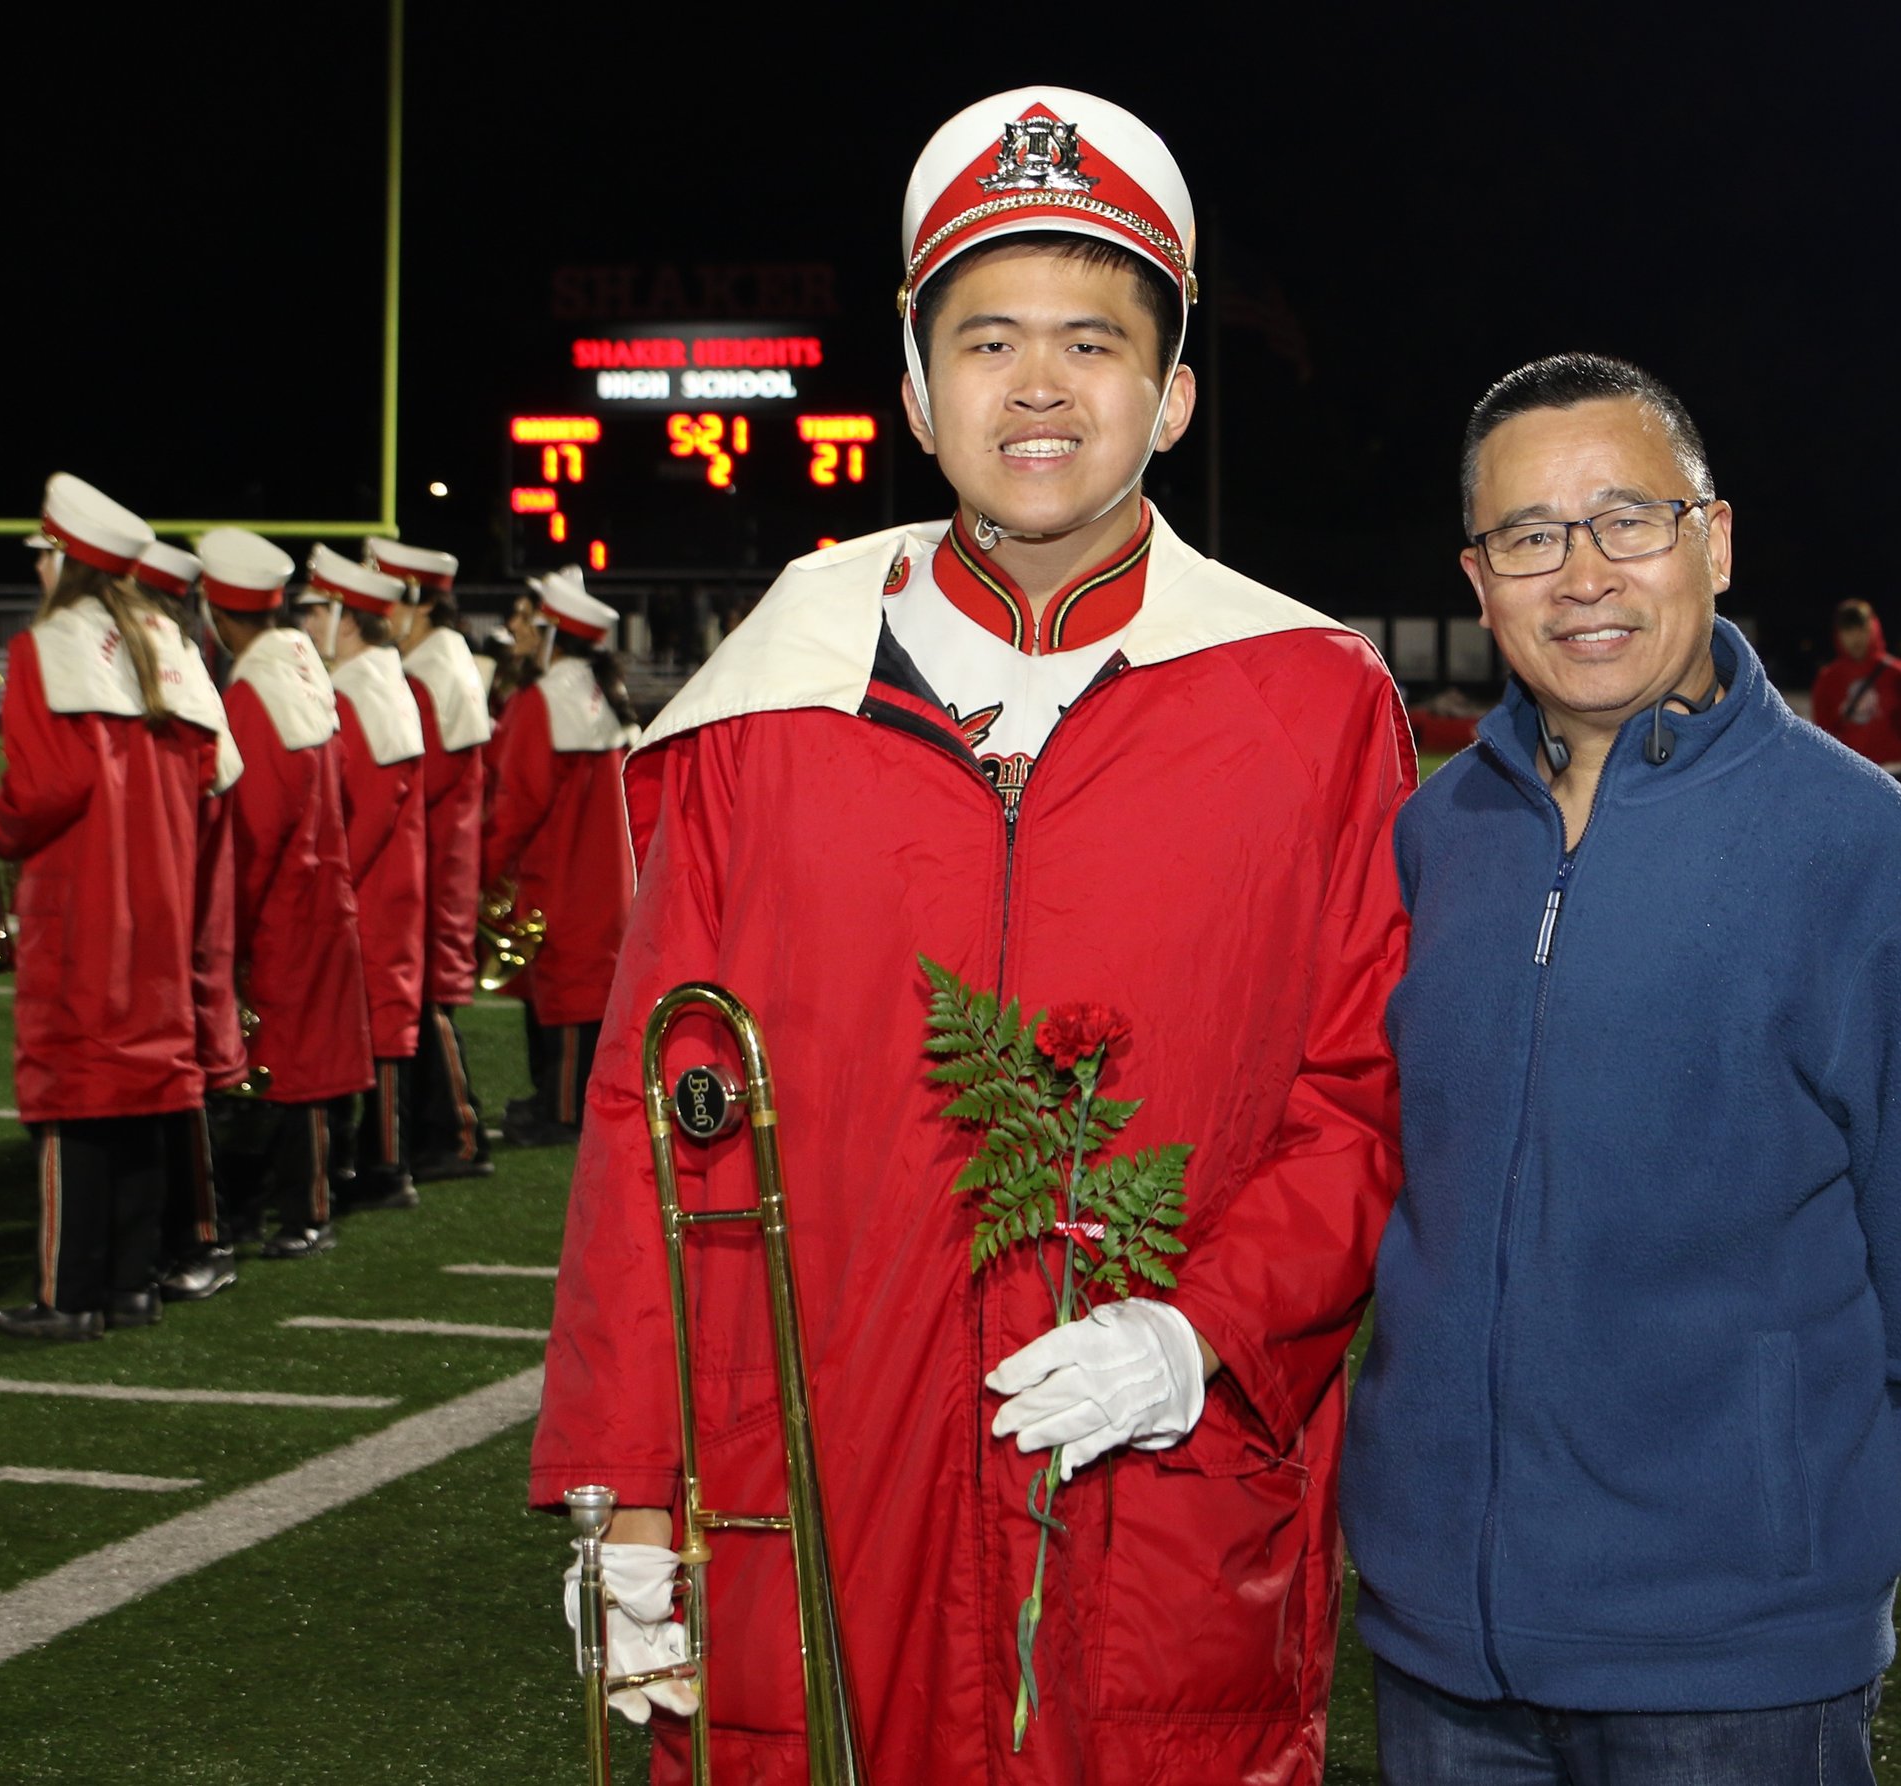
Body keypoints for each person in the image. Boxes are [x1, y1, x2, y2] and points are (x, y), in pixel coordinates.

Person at [530, 87, 1411, 1785]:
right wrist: (633, 1488)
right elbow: (661, 1120)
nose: (1038, 385)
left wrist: (1201, 1331)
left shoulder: (1312, 700)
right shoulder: (763, 703)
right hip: (814, 1498)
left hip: (1157, 1496)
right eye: (987, 337)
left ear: (1173, 394)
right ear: (919, 387)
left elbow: (1362, 1097)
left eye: (1095, 340)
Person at [1339, 354, 1901, 1786]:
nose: (1581, 573)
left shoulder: (1864, 854)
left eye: (1627, 520)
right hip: (1438, 1644)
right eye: (1530, 535)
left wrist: (1779, 1456)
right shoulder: (1434, 834)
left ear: (1713, 539)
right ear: (1481, 579)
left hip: (1732, 1662)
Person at [0, 476, 238, 1341]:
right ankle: (135, 1281)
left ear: (64, 557)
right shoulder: (169, 644)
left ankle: (70, 1294)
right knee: (145, 1084)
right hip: (165, 901)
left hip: (82, 900)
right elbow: (215, 774)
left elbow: (47, 787)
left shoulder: (47, 647)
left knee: (72, 1093)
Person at [199, 528, 372, 1258]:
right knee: (312, 1063)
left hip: (281, 910)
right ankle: (311, 1200)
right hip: (324, 895)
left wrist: (224, 931)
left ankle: (298, 1211)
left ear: (217, 608)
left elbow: (252, 829)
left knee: (284, 1068)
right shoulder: (305, 669)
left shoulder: (250, 693)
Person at [131, 539, 251, 1302]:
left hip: (183, 896)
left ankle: (200, 1235)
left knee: (179, 1068)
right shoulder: (187, 665)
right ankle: (188, 1234)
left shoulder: (166, 669)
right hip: (190, 892)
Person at [481, 566, 635, 1147]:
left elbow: (515, 802)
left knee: (569, 987)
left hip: (562, 874)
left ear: (551, 634)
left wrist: (481, 867)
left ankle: (564, 1109)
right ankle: (555, 1098)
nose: (516, 630)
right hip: (602, 874)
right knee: (578, 985)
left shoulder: (544, 700)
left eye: (527, 620)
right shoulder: (602, 691)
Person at [299, 546, 429, 1213]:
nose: (309, 621)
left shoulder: (358, 688)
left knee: (376, 1025)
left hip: (371, 887)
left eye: (319, 609)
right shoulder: (383, 677)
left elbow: (361, 811)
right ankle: (380, 1162)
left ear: (347, 619)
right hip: (391, 883)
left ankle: (381, 1168)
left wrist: (331, 878)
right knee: (385, 1022)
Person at [371, 537, 495, 1180]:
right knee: (424, 997)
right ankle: (446, 1128)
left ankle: (458, 1132)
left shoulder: (426, 671)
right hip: (448, 847)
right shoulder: (446, 659)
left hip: (434, 851)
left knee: (425, 1000)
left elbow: (425, 779)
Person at [1812, 597, 1901, 780]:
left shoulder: (1898, 674)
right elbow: (1823, 734)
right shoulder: (1828, 679)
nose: (1856, 637)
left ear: (1873, 628)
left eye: (1861, 629)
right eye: (1848, 630)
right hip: (1850, 777)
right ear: (1838, 634)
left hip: (1895, 774)